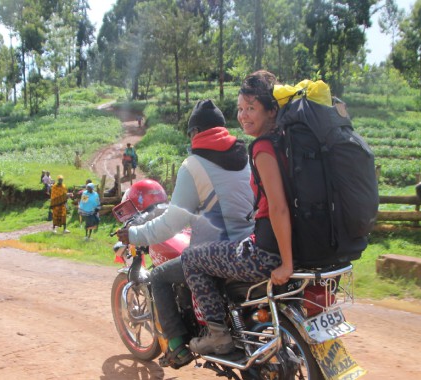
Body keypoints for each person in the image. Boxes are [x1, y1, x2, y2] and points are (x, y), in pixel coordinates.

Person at [116, 99, 253, 368]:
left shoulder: (194, 164)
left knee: (158, 276)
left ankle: (177, 347)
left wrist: (134, 235)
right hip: (250, 247)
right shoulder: (245, 157)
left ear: (194, 133)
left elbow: (171, 224)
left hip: (218, 254)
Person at [180, 71, 292, 355]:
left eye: (251, 108)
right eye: (240, 109)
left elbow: (277, 207)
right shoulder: (285, 142)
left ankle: (218, 335)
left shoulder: (262, 147)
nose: (243, 115)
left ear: (271, 110)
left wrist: (287, 264)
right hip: (276, 242)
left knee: (191, 259)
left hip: (266, 253)